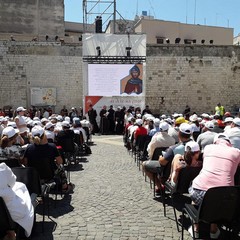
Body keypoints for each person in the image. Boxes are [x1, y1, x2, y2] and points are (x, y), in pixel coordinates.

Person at [188, 134, 240, 239]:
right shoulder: (237, 152)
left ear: (215, 142)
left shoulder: (208, 148)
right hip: (226, 196)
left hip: (200, 192)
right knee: (216, 197)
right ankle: (213, 229)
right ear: (229, 143)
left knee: (195, 184)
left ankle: (196, 227)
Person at [23, 125, 74, 193]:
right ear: (44, 135)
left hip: (34, 175)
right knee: (61, 167)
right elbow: (60, 162)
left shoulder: (29, 148)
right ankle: (64, 187)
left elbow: (25, 163)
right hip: (49, 175)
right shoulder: (51, 147)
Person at [0, 163, 34, 240]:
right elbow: (12, 183)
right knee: (22, 190)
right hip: (11, 216)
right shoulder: (2, 168)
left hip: (4, 217)